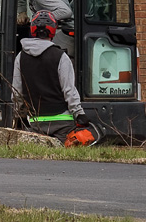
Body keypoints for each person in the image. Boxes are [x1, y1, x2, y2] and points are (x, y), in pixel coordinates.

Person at [12, 10, 90, 141]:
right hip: (63, 123)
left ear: (32, 30)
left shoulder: (21, 57)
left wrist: (18, 115)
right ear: (53, 30)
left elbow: (17, 92)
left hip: (36, 122)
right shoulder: (61, 57)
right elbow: (69, 90)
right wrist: (79, 113)